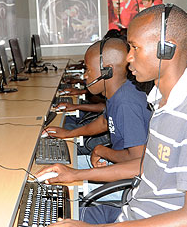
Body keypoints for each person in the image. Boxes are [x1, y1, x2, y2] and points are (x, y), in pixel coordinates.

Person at [36, 4, 187, 227]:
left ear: (166, 49)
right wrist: (75, 174)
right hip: (131, 217)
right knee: (43, 225)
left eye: (135, 48)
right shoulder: (163, 101)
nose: (128, 57)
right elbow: (144, 166)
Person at [44, 37, 151, 170]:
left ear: (107, 71)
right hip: (118, 164)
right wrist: (68, 133)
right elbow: (104, 122)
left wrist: (102, 151)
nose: (85, 76)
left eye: (88, 70)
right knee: (56, 166)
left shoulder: (126, 103)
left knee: (62, 173)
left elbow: (137, 159)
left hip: (128, 179)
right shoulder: (119, 92)